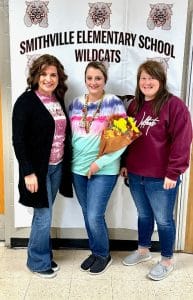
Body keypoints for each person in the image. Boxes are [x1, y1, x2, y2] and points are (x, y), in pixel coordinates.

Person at [120, 60, 192, 281]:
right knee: (143, 215)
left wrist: (174, 172)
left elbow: (183, 140)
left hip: (162, 178)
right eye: (143, 78)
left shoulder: (174, 105)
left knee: (163, 220)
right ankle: (143, 250)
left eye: (152, 77)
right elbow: (126, 138)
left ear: (161, 80)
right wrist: (124, 162)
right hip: (135, 172)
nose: (147, 82)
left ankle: (167, 260)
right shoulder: (134, 106)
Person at [12, 54, 73, 279]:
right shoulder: (26, 101)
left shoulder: (57, 98)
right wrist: (28, 172)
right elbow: (18, 140)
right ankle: (37, 262)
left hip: (57, 167)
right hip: (37, 170)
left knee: (45, 214)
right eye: (44, 74)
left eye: (53, 74)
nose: (48, 78)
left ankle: (42, 255)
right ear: (36, 76)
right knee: (43, 215)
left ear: (59, 77)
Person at [69, 61, 127, 275]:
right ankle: (95, 251)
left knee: (94, 214)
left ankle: (103, 255)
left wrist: (98, 163)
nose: (93, 82)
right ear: (85, 80)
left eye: (98, 78)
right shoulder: (75, 103)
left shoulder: (114, 103)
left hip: (103, 169)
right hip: (78, 170)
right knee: (87, 213)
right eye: (90, 78)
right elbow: (73, 137)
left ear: (105, 80)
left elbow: (122, 140)